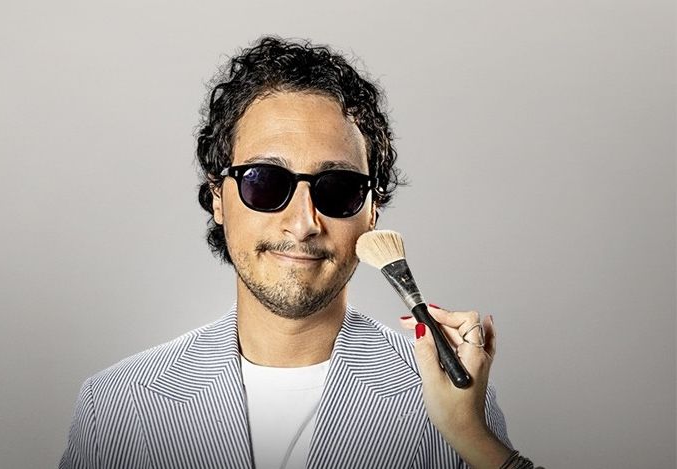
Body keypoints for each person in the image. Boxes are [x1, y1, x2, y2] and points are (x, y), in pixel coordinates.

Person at [60, 36, 539, 468]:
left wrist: (471, 436)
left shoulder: (456, 403)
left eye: (338, 188)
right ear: (218, 198)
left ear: (372, 212)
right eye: (265, 181)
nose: (305, 222)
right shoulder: (116, 407)